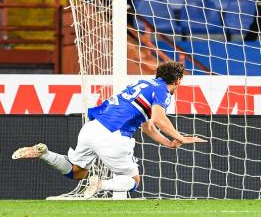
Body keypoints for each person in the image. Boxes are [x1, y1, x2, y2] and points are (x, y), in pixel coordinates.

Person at [12, 61, 207, 198]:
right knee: (133, 180)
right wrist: (181, 136)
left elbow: (148, 126)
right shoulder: (164, 92)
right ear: (179, 80)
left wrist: (168, 142)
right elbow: (159, 119)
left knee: (76, 172)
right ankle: (101, 184)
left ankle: (43, 153)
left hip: (91, 128)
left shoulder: (143, 84)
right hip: (114, 135)